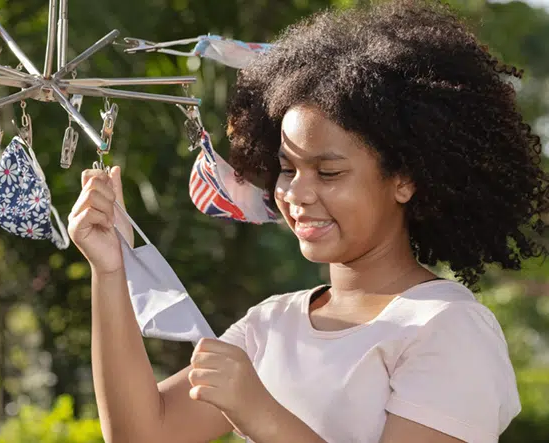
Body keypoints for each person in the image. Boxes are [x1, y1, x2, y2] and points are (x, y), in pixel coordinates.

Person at [67, 0, 549, 441]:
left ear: (404, 179)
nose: (295, 193)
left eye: (329, 171)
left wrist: (257, 410)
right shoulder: (272, 323)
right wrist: (110, 270)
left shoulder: (446, 326)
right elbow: (142, 436)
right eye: (287, 168)